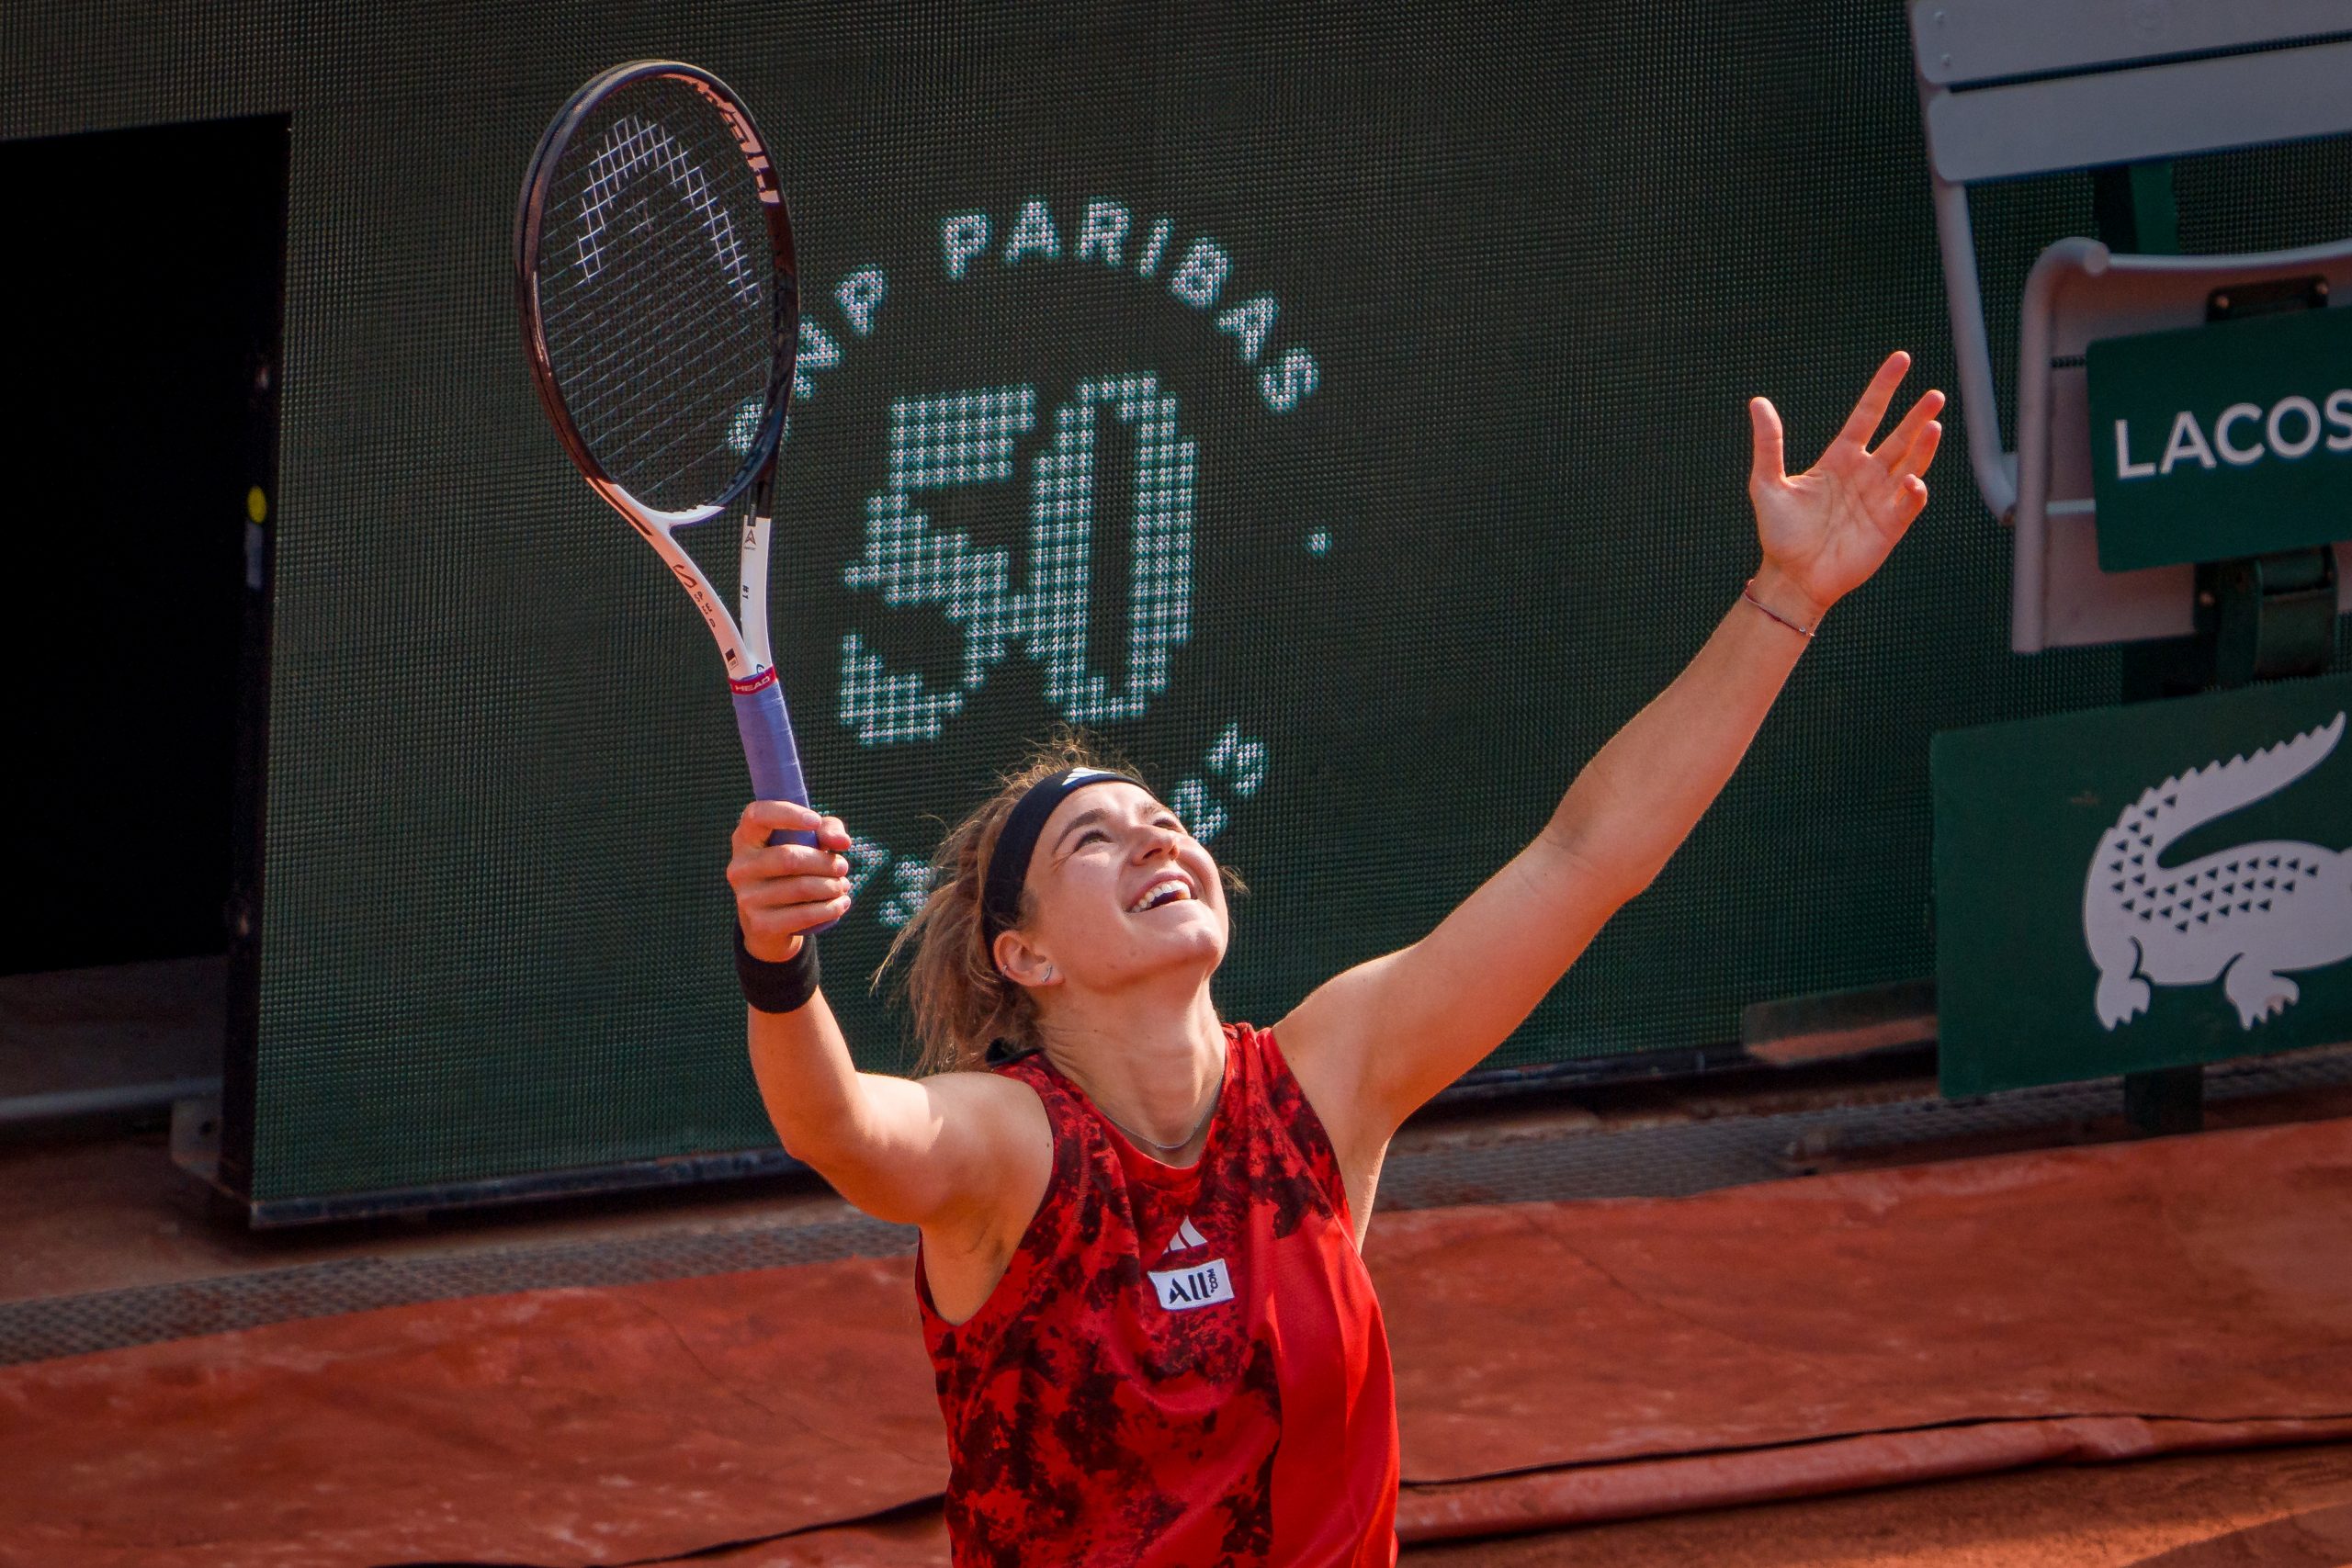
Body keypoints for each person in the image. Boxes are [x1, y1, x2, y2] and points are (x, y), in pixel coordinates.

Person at [727, 352, 1943, 1564]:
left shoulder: (1320, 1085)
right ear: (1026, 955)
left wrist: (1786, 599)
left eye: (1163, 818)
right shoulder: (1012, 1146)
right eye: (1092, 839)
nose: (1154, 838)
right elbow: (840, 1126)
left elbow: (1587, 856)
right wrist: (777, 957)